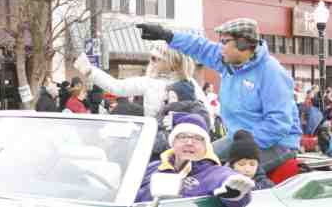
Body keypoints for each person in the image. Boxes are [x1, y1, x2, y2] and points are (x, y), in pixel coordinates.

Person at [136, 19, 302, 172]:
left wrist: (243, 148)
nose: (220, 47)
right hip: (237, 138)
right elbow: (200, 47)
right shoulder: (228, 62)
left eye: (224, 42)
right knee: (191, 162)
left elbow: (279, 123)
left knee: (223, 175)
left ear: (243, 44)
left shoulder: (271, 73)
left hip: (276, 143)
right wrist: (167, 35)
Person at [135, 113, 254, 207]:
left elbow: (230, 183)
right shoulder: (153, 167)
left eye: (197, 138)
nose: (189, 142)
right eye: (183, 136)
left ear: (206, 146)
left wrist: (236, 194)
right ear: (173, 142)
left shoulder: (214, 173)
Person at [72, 42, 210, 117]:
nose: (151, 62)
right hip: (155, 138)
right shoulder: (148, 82)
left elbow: (206, 111)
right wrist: (90, 71)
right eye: (151, 57)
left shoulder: (188, 83)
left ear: (171, 61)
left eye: (156, 58)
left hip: (183, 138)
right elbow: (117, 87)